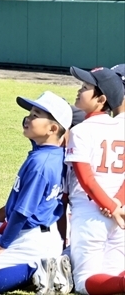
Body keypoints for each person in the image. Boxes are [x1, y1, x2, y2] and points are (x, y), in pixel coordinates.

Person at [0, 91, 72, 295]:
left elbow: (22, 213)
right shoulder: (53, 154)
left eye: (35, 115)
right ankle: (44, 264)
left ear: (52, 128)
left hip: (31, 238)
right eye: (30, 113)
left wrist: (2, 246)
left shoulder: (39, 164)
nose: (27, 118)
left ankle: (36, 269)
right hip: (44, 234)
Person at [64, 67, 125, 295]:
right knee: (112, 275)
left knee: (84, 282)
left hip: (91, 213)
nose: (79, 91)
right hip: (120, 212)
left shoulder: (81, 131)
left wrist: (109, 206)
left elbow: (86, 179)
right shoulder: (122, 127)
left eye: (86, 88)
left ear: (101, 99)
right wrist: (117, 204)